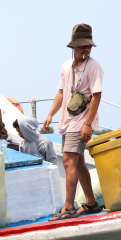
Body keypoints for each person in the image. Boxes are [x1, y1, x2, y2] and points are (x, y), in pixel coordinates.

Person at [42, 23, 104, 220]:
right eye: (82, 46)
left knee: (68, 160)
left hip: (82, 121)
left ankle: (68, 206)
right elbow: (62, 92)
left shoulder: (94, 66)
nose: (86, 49)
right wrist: (50, 114)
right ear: (73, 47)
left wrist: (88, 124)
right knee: (78, 164)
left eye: (89, 46)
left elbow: (96, 96)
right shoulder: (66, 66)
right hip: (68, 121)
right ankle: (91, 203)